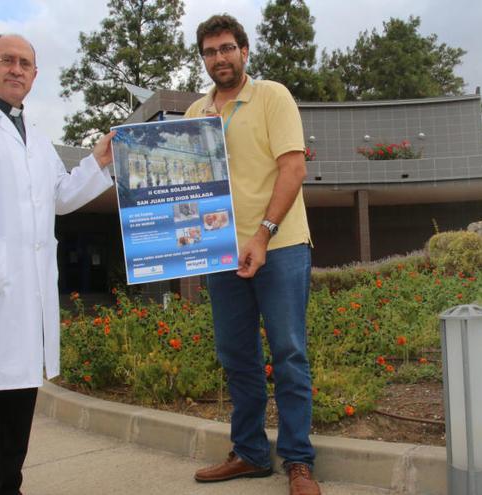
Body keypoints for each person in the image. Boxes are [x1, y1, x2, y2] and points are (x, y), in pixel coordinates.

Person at [0, 34, 116, 495]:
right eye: (6, 60)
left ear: (34, 75)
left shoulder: (39, 141)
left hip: (26, 304)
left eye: (25, 63)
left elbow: (61, 197)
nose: (16, 69)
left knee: (13, 424)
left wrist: (97, 161)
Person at [183, 14, 320, 495]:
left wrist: (261, 237)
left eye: (226, 48)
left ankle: (299, 462)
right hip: (222, 256)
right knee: (237, 356)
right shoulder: (196, 112)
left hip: (278, 247)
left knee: (288, 354)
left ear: (244, 51)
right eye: (210, 51)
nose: (219, 58)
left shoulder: (272, 96)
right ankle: (249, 453)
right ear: (203, 59)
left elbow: (293, 169)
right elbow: (186, 187)